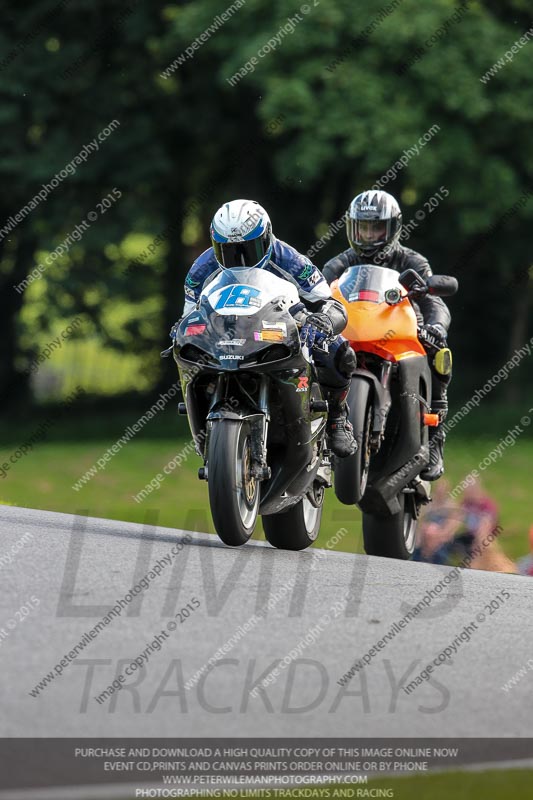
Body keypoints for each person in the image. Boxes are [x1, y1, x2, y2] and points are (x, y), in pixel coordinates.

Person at [179, 199, 358, 458]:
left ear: (266, 238)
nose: (238, 259)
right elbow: (189, 313)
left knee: (340, 351)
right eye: (228, 251)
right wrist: (181, 330)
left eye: (247, 249)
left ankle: (337, 418)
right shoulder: (201, 268)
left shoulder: (291, 259)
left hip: (280, 324)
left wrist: (324, 321)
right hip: (227, 332)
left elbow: (326, 300)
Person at [322, 190, 453, 480]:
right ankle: (319, 424)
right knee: (314, 354)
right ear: (351, 229)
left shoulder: (412, 260)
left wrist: (436, 327)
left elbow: (434, 300)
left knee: (439, 350)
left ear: (393, 228)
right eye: (363, 228)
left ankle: (434, 436)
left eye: (376, 227)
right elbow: (318, 293)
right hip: (352, 330)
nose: (369, 235)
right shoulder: (339, 263)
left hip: (402, 329)